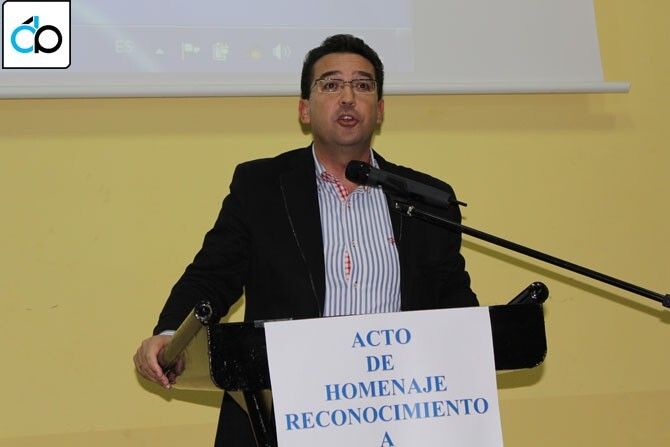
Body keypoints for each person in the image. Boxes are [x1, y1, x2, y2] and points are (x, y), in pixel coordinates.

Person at [134, 34, 477, 446]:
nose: (348, 97)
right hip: (286, 415)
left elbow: (454, 306)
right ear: (304, 109)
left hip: (397, 416)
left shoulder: (426, 198)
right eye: (330, 85)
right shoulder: (262, 187)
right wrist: (171, 335)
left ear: (380, 109)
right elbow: (213, 275)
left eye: (363, 85)